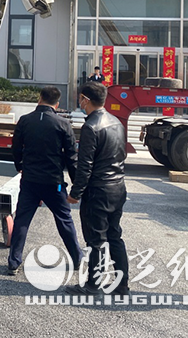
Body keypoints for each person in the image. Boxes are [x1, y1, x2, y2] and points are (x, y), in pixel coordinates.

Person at [6, 86, 83, 275]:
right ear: (57, 103)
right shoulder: (63, 124)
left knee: (22, 220)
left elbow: (16, 147)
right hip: (53, 181)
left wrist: (20, 166)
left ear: (39, 98)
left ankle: (14, 261)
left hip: (30, 179)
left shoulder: (25, 121)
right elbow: (71, 157)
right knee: (64, 219)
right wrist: (76, 186)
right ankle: (77, 259)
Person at [65, 82, 129, 296]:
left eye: (80, 99)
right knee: (115, 236)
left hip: (99, 190)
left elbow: (85, 166)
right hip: (118, 187)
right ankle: (121, 285)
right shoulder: (116, 122)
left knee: (96, 239)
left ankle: (93, 284)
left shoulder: (90, 127)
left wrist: (75, 193)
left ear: (84, 99)